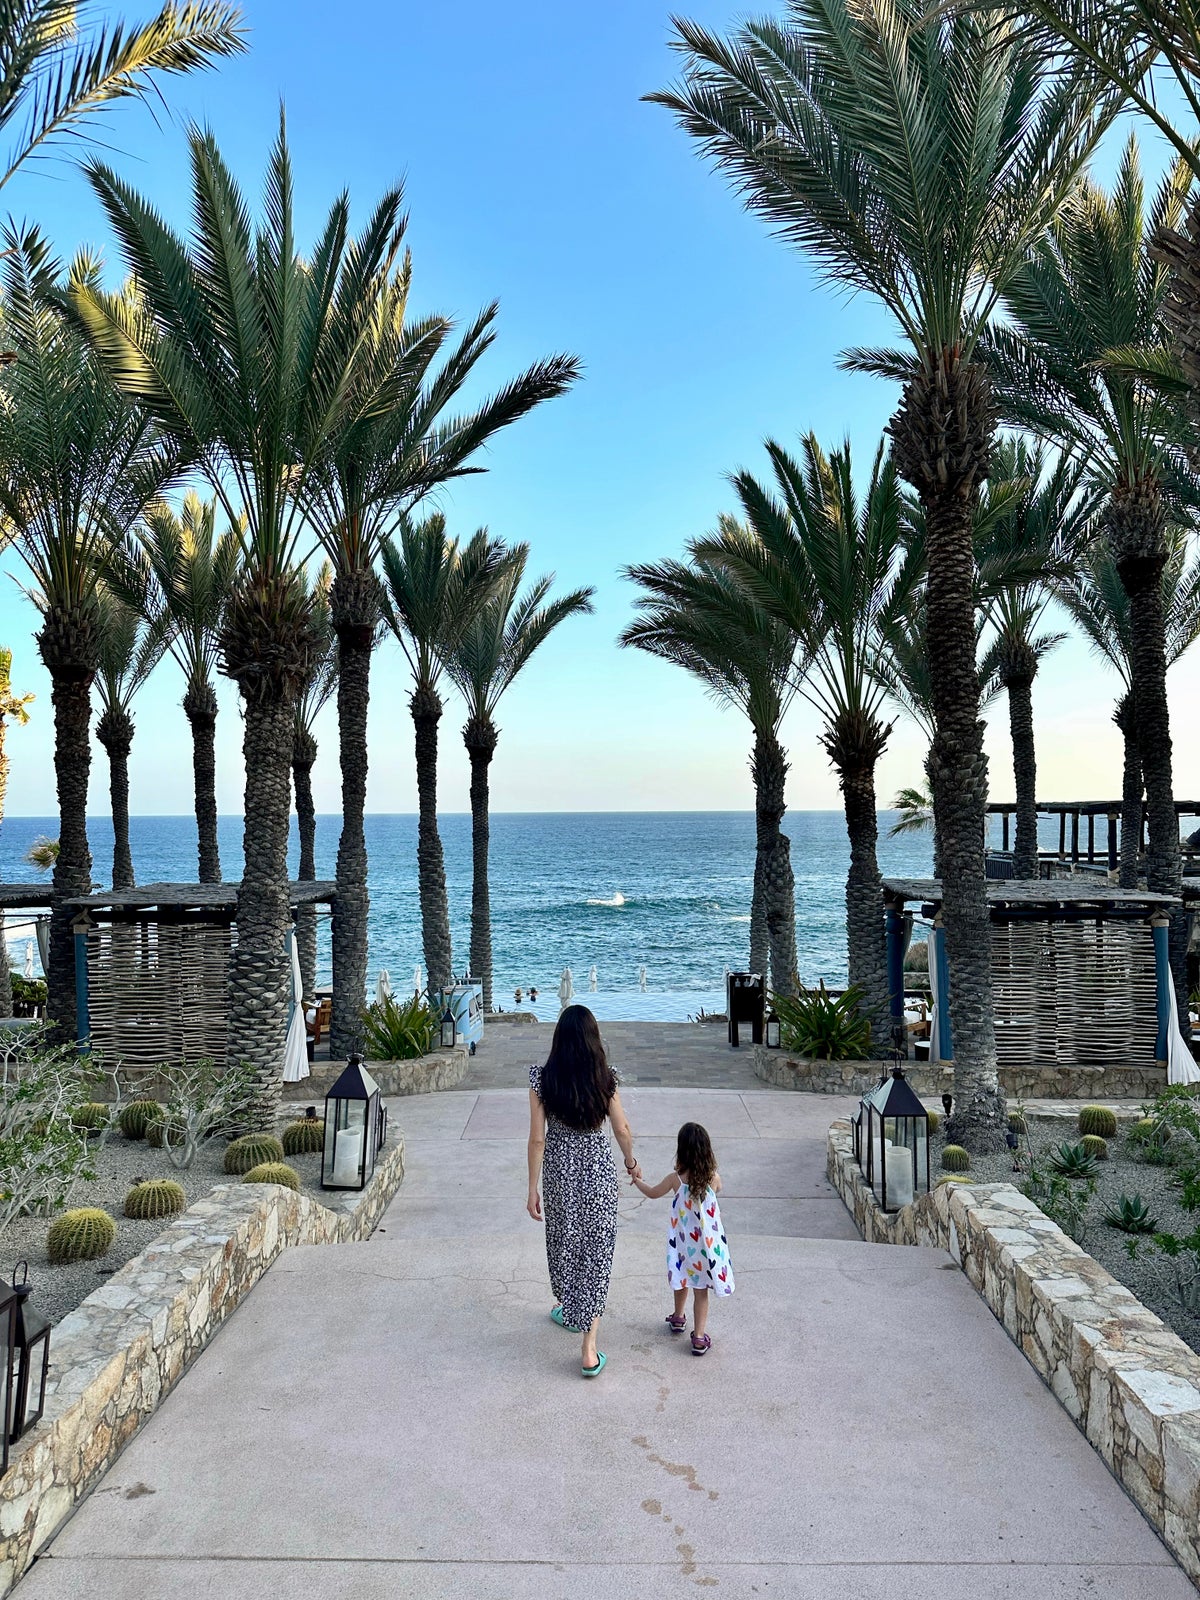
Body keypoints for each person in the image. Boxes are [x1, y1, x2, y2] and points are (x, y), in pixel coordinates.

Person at [527, 1004, 639, 1378]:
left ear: (559, 1040)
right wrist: (630, 1162)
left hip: (558, 1174)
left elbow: (537, 1139)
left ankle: (569, 1306)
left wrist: (532, 1187)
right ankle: (589, 1347)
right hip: (597, 1175)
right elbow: (621, 1130)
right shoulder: (605, 1078)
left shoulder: (542, 1080)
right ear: (594, 1041)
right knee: (596, 1250)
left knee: (564, 1241)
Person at [631, 1121, 734, 1356]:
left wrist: (636, 1181)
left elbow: (652, 1193)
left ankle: (678, 1317)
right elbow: (717, 1191)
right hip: (705, 1249)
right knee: (701, 1291)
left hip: (683, 1245)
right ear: (707, 1151)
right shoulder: (713, 1179)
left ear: (682, 1151)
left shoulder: (674, 1180)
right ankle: (699, 1338)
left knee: (681, 1278)